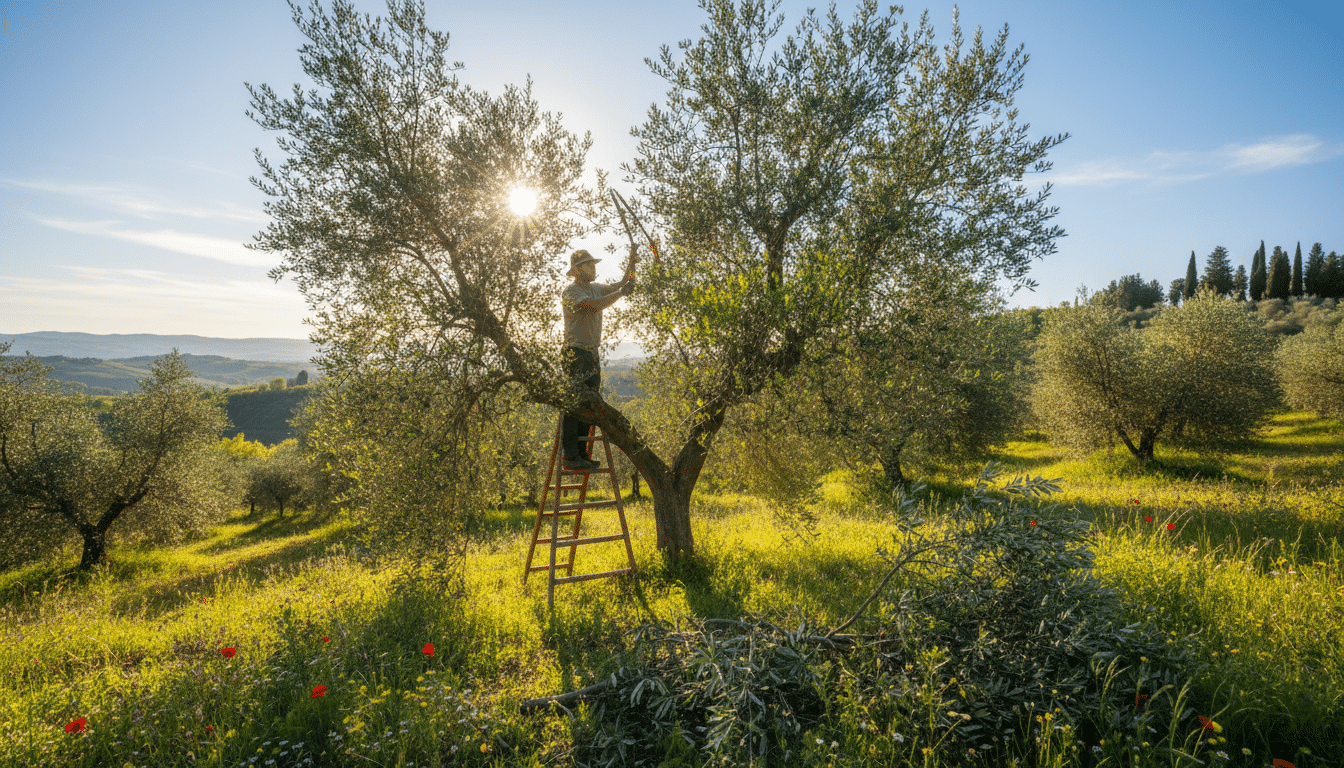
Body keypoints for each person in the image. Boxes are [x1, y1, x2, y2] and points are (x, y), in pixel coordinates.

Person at [560, 247, 637, 470]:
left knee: (589, 405)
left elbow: (619, 285)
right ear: (577, 269)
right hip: (575, 353)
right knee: (574, 405)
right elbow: (592, 307)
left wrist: (632, 265)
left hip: (591, 354)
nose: (594, 269)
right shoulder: (572, 291)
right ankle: (570, 455)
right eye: (589, 265)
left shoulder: (595, 288)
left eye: (594, 264)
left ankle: (581, 454)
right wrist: (621, 293)